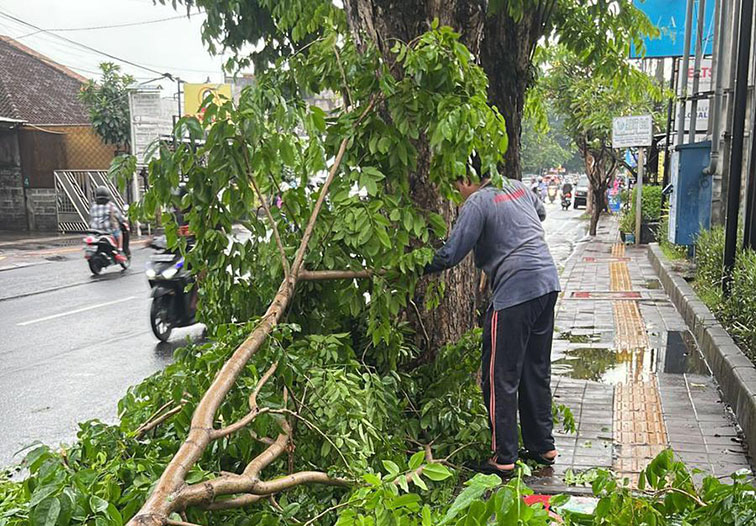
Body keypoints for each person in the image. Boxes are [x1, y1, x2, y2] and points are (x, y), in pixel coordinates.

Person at [425, 173, 561, 477]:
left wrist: (411, 267)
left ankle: (504, 457)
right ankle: (543, 446)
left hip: (514, 293)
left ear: (467, 179)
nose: (458, 193)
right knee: (535, 370)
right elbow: (539, 212)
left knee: (500, 376)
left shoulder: (477, 202)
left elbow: (450, 254)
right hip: (547, 282)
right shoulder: (515, 185)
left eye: (457, 186)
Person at [89, 186, 127, 263]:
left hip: (95, 231)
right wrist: (124, 220)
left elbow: (91, 217)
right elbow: (119, 217)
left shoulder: (93, 206)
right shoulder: (110, 206)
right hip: (108, 231)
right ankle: (119, 251)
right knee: (119, 233)